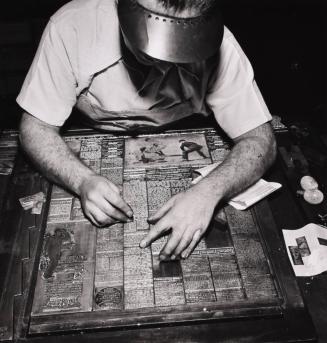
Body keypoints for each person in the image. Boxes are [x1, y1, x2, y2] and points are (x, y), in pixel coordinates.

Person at [17, 0, 276, 261]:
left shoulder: (222, 46)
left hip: (184, 141)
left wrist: (208, 192)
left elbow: (260, 140)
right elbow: (35, 127)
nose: (163, 63)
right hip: (92, 142)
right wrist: (82, 180)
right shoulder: (70, 27)